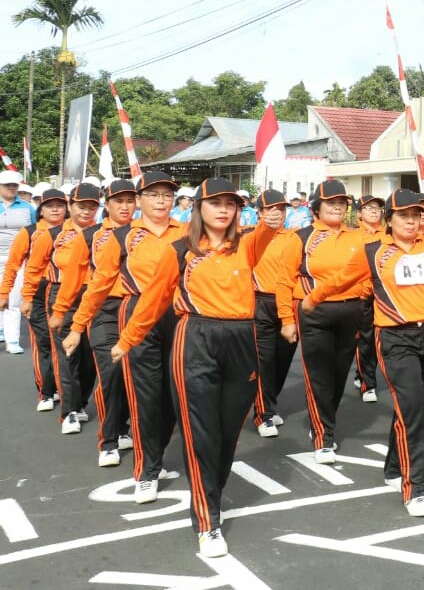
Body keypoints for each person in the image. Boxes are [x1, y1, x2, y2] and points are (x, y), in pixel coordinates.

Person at [113, 177, 280, 559]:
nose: (224, 209)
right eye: (215, 203)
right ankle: (208, 522)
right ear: (198, 208)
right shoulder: (180, 250)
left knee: (226, 435)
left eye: (231, 203)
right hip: (196, 338)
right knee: (201, 433)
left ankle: (211, 498)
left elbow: (271, 225)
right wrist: (127, 341)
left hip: (241, 340)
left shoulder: (249, 244)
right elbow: (153, 301)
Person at [303, 188, 424, 516]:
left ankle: (394, 466)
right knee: (414, 410)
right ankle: (413, 487)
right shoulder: (373, 251)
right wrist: (313, 299)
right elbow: (340, 279)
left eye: (416, 215)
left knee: (415, 406)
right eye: (403, 215)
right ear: (389, 220)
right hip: (394, 337)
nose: (410, 221)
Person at [69, 170, 187, 503]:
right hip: (137, 315)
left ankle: (158, 455)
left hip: (179, 316)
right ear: (140, 200)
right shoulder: (122, 237)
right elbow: (100, 284)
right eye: (153, 195)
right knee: (146, 396)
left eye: (166, 195)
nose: (161, 201)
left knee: (174, 394)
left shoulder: (190, 231)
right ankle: (147, 470)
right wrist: (78, 325)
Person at [273, 180, 366, 464]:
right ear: (316, 207)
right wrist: (287, 319)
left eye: (342, 203)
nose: (337, 207)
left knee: (339, 374)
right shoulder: (301, 238)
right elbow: (283, 281)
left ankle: (326, 420)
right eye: (331, 203)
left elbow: (368, 274)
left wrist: (362, 297)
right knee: (319, 374)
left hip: (351, 312)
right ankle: (323, 434)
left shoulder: (358, 237)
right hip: (314, 313)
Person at [59, 179, 137, 466]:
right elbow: (73, 279)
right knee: (111, 373)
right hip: (103, 310)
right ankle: (109, 440)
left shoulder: (143, 234)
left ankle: (123, 425)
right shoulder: (92, 236)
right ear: (108, 204)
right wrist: (63, 313)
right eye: (119, 201)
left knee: (136, 375)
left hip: (135, 309)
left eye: (130, 200)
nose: (125, 206)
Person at [42, 183, 101, 435]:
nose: (86, 212)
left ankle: (80, 402)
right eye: (81, 206)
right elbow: (34, 267)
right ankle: (68, 411)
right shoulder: (53, 234)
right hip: (62, 296)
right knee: (68, 356)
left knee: (90, 358)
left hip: (95, 297)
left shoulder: (104, 234)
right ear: (70, 206)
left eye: (92, 207)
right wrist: (24, 297)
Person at [0, 188, 65, 408]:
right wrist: (4, 293)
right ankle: (46, 391)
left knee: (66, 344)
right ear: (41, 210)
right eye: (49, 205)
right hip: (37, 293)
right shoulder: (29, 232)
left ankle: (65, 390)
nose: (55, 209)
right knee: (44, 342)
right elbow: (13, 264)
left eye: (59, 205)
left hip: (65, 293)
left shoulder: (73, 231)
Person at [248, 190, 292, 438]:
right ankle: (263, 413)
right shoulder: (250, 237)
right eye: (270, 209)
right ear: (260, 213)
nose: (277, 213)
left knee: (282, 359)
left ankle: (270, 401)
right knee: (263, 359)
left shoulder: (294, 237)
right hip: (260, 302)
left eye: (281, 209)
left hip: (287, 304)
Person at [353, 194, 385, 403]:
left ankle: (362, 374)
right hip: (362, 296)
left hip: (385, 296)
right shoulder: (353, 236)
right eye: (369, 207)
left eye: (378, 208)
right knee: (365, 339)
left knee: (380, 340)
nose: (375, 211)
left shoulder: (389, 234)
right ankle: (367, 383)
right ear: (359, 213)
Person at [0, 169, 36, 354]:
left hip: (19, 259)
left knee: (13, 299)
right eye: (8, 185)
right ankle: (1, 328)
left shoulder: (27, 207)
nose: (12, 188)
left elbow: (35, 231)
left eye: (15, 185)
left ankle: (12, 340)